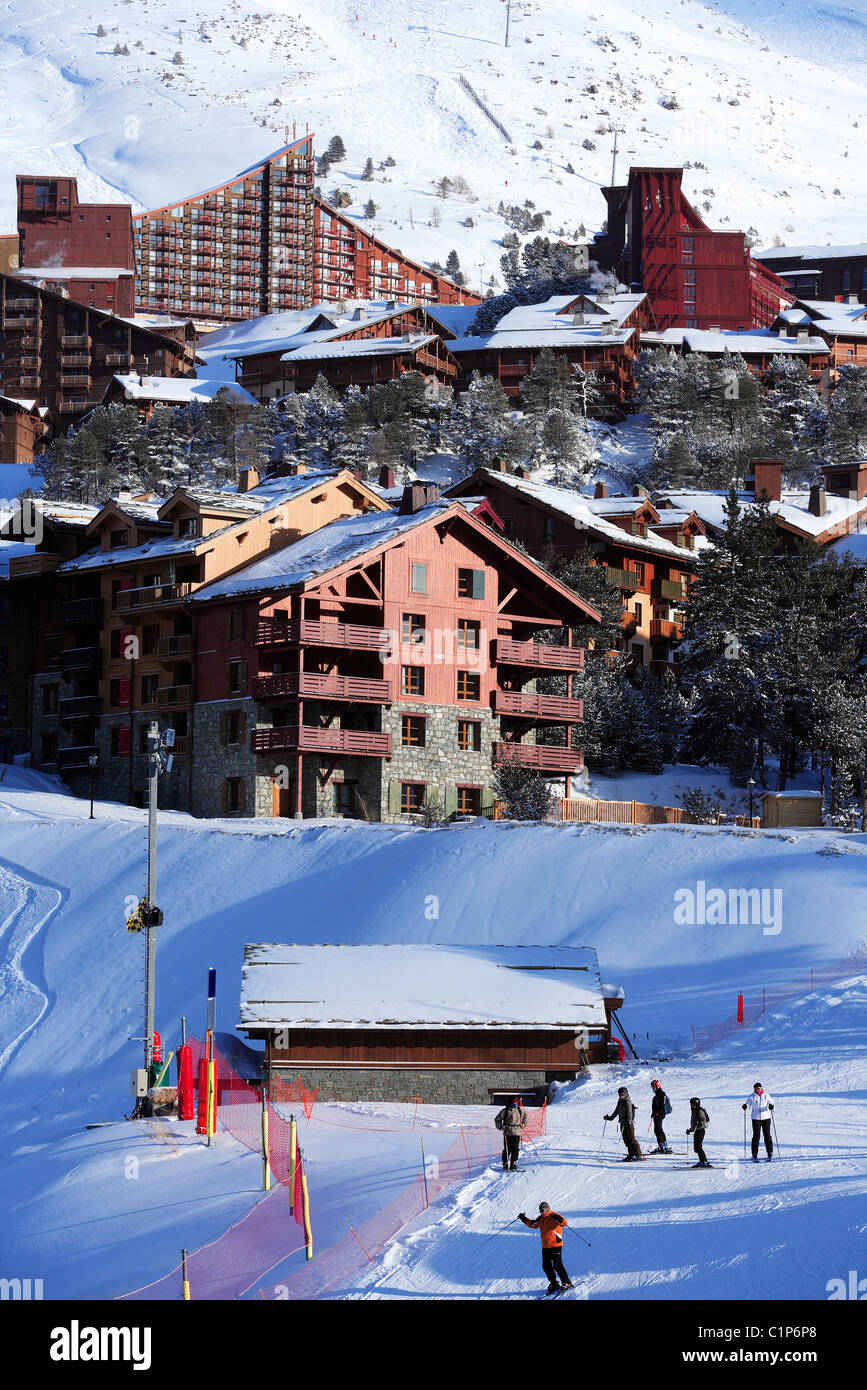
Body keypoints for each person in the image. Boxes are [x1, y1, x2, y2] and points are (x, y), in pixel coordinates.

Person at [518, 1202, 573, 1294]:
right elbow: (533, 1224)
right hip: (545, 1246)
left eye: (542, 1210)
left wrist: (559, 1219)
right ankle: (554, 1284)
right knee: (546, 1266)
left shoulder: (554, 1216)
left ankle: (567, 1282)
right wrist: (523, 1219)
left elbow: (564, 1223)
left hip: (556, 1244)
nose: (541, 1212)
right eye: (540, 1210)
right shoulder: (541, 1219)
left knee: (557, 1265)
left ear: (548, 1209)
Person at [604, 1085, 645, 1160]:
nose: (621, 1096)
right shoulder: (620, 1102)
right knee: (626, 1140)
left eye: (622, 1095)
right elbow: (616, 1111)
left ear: (626, 1094)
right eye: (619, 1095)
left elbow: (629, 1113)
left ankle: (639, 1155)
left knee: (631, 1140)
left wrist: (628, 1122)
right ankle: (631, 1154)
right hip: (622, 1123)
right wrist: (610, 1118)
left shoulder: (627, 1102)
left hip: (628, 1124)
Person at [743, 1082, 775, 1161]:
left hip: (766, 1117)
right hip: (756, 1118)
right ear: (754, 1089)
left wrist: (771, 1106)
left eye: (759, 1088)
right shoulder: (752, 1096)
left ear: (761, 1088)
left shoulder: (766, 1095)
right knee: (756, 1136)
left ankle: (770, 1152)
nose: (757, 1090)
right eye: (756, 1089)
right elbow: (748, 1103)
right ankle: (754, 1153)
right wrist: (745, 1106)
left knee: (767, 1135)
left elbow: (771, 1102)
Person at [495, 1095, 527, 1171]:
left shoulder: (520, 1110)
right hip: (508, 1132)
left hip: (517, 1132)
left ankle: (513, 1163)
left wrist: (522, 1125)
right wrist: (501, 1127)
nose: (515, 1103)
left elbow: (526, 1118)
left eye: (516, 1101)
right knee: (507, 1148)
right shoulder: (505, 1110)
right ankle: (505, 1163)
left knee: (515, 1148)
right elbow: (497, 1119)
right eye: (514, 1101)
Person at [686, 1097, 712, 1167]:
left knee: (698, 1147)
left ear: (697, 1104)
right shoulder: (694, 1111)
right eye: (691, 1104)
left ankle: (704, 1161)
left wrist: (699, 1123)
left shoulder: (699, 1111)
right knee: (696, 1148)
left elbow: (703, 1120)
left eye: (693, 1104)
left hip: (700, 1131)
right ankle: (702, 1161)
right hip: (697, 1131)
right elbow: (694, 1123)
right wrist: (690, 1130)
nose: (691, 1105)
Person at [649, 1079, 672, 1153]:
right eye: (652, 1086)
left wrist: (657, 1113)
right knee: (658, 1130)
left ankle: (663, 1146)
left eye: (654, 1086)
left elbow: (661, 1105)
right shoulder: (657, 1095)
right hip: (657, 1114)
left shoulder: (661, 1094)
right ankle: (663, 1146)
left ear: (657, 1086)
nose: (653, 1088)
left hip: (660, 1114)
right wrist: (653, 1113)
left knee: (658, 1130)